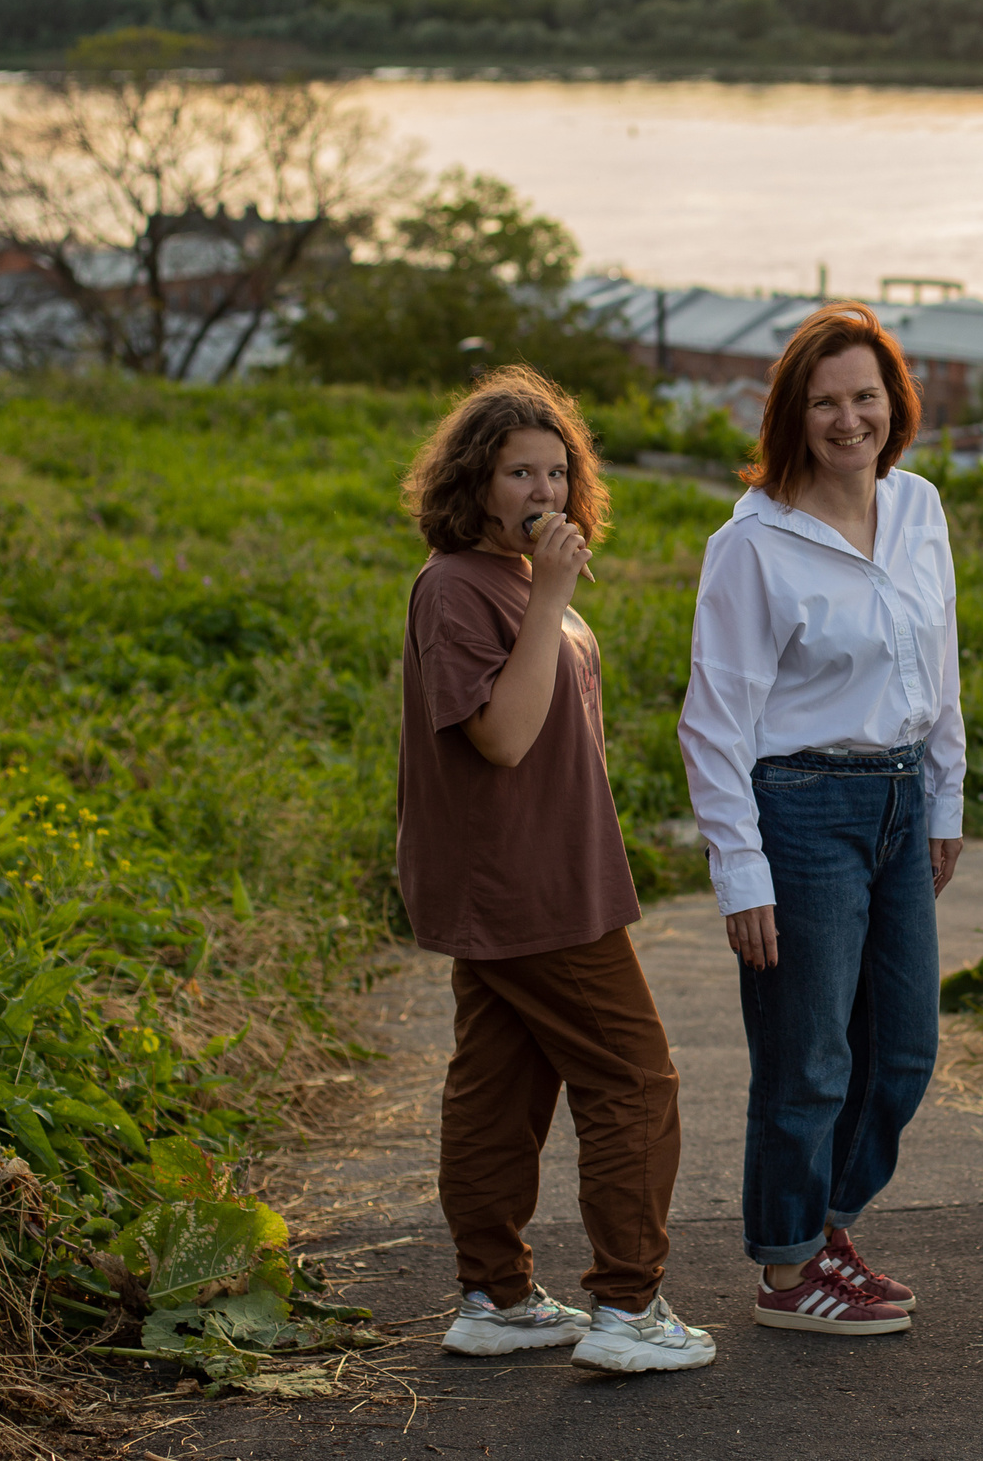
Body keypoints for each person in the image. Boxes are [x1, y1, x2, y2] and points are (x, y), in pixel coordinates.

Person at [394, 365, 714, 1374]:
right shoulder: (457, 587)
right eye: (517, 474)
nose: (543, 494)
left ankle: (495, 1296)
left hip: (545, 876)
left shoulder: (521, 586)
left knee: (501, 1082)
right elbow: (501, 737)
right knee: (635, 1080)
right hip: (525, 887)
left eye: (556, 472)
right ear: (474, 486)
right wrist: (554, 599)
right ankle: (627, 1307)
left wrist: (549, 596)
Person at [679, 304, 966, 1336]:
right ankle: (789, 1272)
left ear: (894, 404)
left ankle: (825, 1225)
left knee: (903, 1051)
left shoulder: (919, 508)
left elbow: (940, 663)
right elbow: (713, 721)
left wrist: (944, 794)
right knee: (806, 1060)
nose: (849, 420)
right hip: (799, 813)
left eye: (865, 397)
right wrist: (740, 872)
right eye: (826, 402)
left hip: (898, 802)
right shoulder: (751, 545)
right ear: (792, 417)